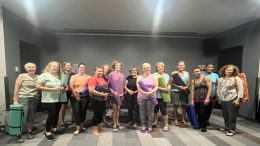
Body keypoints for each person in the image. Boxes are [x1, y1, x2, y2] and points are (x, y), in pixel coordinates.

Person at [37, 61, 68, 141]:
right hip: (49, 99)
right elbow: (38, 87)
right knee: (51, 115)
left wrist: (65, 88)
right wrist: (53, 89)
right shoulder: (44, 75)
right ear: (49, 67)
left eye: (57, 67)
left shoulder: (60, 76)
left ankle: (54, 129)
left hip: (59, 98)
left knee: (56, 114)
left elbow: (64, 85)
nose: (55, 68)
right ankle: (47, 133)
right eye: (53, 66)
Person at [13, 62, 39, 143]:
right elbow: (16, 88)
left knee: (31, 115)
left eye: (33, 67)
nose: (31, 68)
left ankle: (29, 131)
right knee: (22, 116)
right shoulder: (22, 76)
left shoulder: (39, 77)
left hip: (34, 98)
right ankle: (18, 134)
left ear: (35, 68)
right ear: (26, 69)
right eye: (29, 67)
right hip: (23, 98)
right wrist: (15, 99)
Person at [217, 64, 243, 136]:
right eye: (227, 69)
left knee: (232, 115)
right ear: (224, 70)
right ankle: (226, 126)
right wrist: (219, 97)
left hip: (232, 98)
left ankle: (232, 129)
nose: (228, 71)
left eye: (230, 70)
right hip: (223, 99)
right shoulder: (220, 79)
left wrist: (238, 99)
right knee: (225, 114)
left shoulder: (236, 78)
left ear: (233, 71)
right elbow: (218, 88)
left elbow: (241, 89)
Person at [136, 63, 158, 133]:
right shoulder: (139, 77)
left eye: (148, 68)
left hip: (151, 96)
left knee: (150, 112)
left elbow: (156, 86)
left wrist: (151, 92)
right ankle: (143, 126)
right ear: (143, 69)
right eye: (145, 68)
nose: (146, 69)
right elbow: (138, 87)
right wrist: (144, 92)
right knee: (142, 112)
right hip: (141, 97)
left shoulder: (154, 76)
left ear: (150, 68)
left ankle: (150, 126)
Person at [69, 63, 91, 135]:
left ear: (85, 68)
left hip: (85, 96)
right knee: (77, 111)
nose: (82, 69)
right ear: (78, 68)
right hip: (75, 96)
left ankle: (82, 125)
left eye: (83, 67)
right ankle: (78, 127)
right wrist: (76, 96)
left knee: (83, 111)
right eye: (80, 67)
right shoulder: (73, 76)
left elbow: (89, 87)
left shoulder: (88, 77)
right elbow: (71, 87)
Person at [88, 66, 109, 136]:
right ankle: (94, 130)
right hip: (96, 100)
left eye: (101, 71)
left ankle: (99, 127)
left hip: (103, 99)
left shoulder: (101, 78)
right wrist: (102, 94)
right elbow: (91, 90)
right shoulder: (92, 79)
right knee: (96, 114)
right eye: (99, 71)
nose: (100, 72)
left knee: (100, 114)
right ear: (95, 71)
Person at [191, 67, 212, 132]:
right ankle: (199, 124)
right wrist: (192, 100)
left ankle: (204, 126)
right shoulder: (193, 80)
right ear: (193, 73)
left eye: (198, 71)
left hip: (205, 98)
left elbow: (210, 88)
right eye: (195, 72)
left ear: (200, 72)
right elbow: (192, 90)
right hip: (197, 98)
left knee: (203, 112)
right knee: (197, 112)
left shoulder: (206, 78)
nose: (197, 73)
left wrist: (207, 98)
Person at [170, 61, 190, 126]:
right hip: (175, 91)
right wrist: (179, 87)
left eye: (182, 65)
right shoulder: (174, 73)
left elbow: (188, 82)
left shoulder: (187, 73)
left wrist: (186, 87)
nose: (181, 66)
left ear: (184, 66)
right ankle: (175, 119)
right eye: (180, 65)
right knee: (176, 105)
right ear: (177, 66)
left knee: (184, 105)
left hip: (184, 91)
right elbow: (171, 83)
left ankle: (183, 119)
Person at [153, 62, 170, 131]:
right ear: (156, 68)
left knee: (163, 109)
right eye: (158, 67)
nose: (160, 68)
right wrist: (159, 88)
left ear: (164, 68)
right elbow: (152, 85)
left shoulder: (167, 75)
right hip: (155, 95)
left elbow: (169, 84)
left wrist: (168, 88)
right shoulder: (153, 75)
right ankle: (155, 121)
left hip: (164, 95)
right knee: (156, 109)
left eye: (162, 66)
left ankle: (166, 124)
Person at [108, 61, 125, 132]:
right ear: (114, 66)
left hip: (120, 95)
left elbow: (122, 85)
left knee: (118, 109)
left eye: (119, 66)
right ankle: (114, 124)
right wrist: (113, 92)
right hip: (113, 94)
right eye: (116, 65)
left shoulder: (122, 75)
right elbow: (108, 86)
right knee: (115, 109)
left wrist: (123, 94)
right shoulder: (111, 74)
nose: (118, 67)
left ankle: (118, 122)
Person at [59, 61, 75, 128]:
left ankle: (72, 119)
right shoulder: (61, 74)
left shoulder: (74, 74)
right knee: (63, 107)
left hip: (72, 92)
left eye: (70, 65)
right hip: (63, 92)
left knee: (73, 106)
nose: (68, 66)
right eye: (67, 65)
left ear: (71, 66)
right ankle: (62, 122)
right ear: (64, 67)